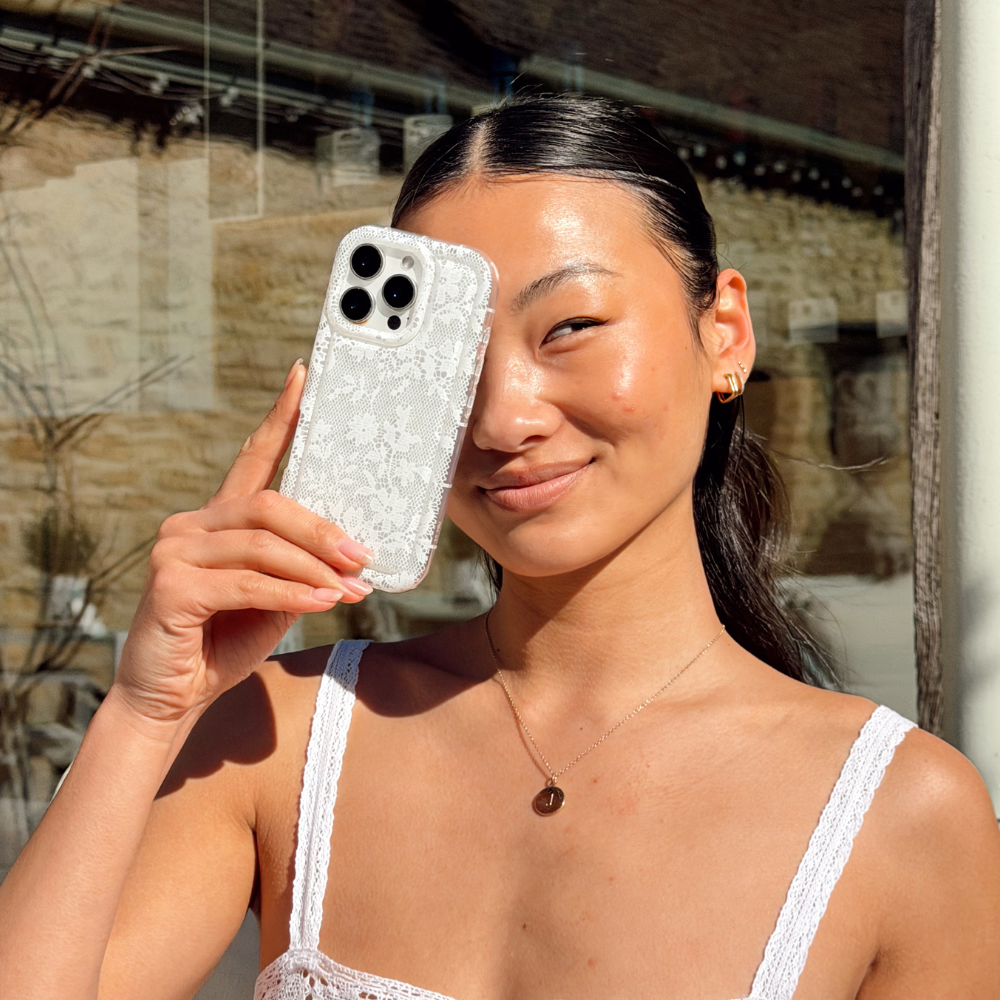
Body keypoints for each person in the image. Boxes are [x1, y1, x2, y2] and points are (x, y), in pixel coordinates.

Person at [2, 95, 999, 1000]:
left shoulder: (898, 815)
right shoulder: (281, 737)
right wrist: (144, 712)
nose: (502, 415)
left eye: (569, 325)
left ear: (724, 331)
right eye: (454, 359)